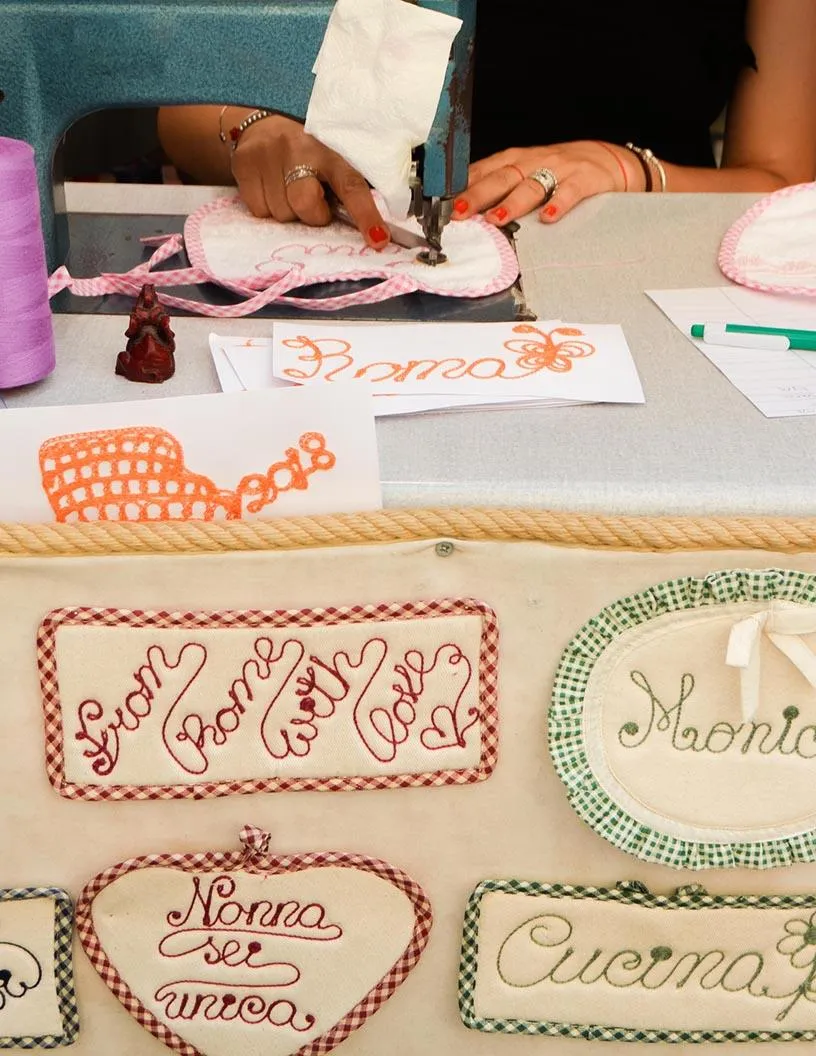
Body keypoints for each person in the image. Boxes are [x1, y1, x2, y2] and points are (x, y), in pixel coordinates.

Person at [157, 0, 816, 250]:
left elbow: (784, 181)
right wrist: (256, 129)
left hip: (657, 275)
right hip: (353, 254)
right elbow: (182, 112)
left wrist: (632, 170)